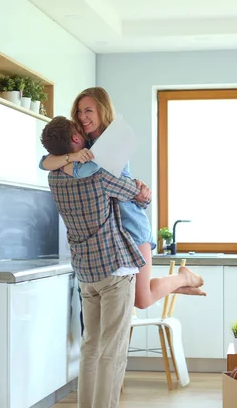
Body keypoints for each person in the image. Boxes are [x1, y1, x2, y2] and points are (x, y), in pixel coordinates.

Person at [40, 87, 206, 308]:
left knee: (141, 299)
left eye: (88, 110)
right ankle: (181, 282)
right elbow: (44, 162)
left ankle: (183, 278)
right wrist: (71, 156)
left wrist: (68, 163)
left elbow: (91, 175)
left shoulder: (113, 140)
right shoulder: (83, 144)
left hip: (131, 222)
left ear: (102, 110)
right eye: (79, 111)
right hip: (114, 231)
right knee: (138, 297)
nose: (82, 116)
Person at [40, 120, 150, 408]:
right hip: (115, 268)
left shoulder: (53, 178)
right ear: (77, 137)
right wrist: (141, 191)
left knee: (90, 346)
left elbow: (47, 164)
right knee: (113, 350)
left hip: (86, 273)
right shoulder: (99, 176)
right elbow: (134, 194)